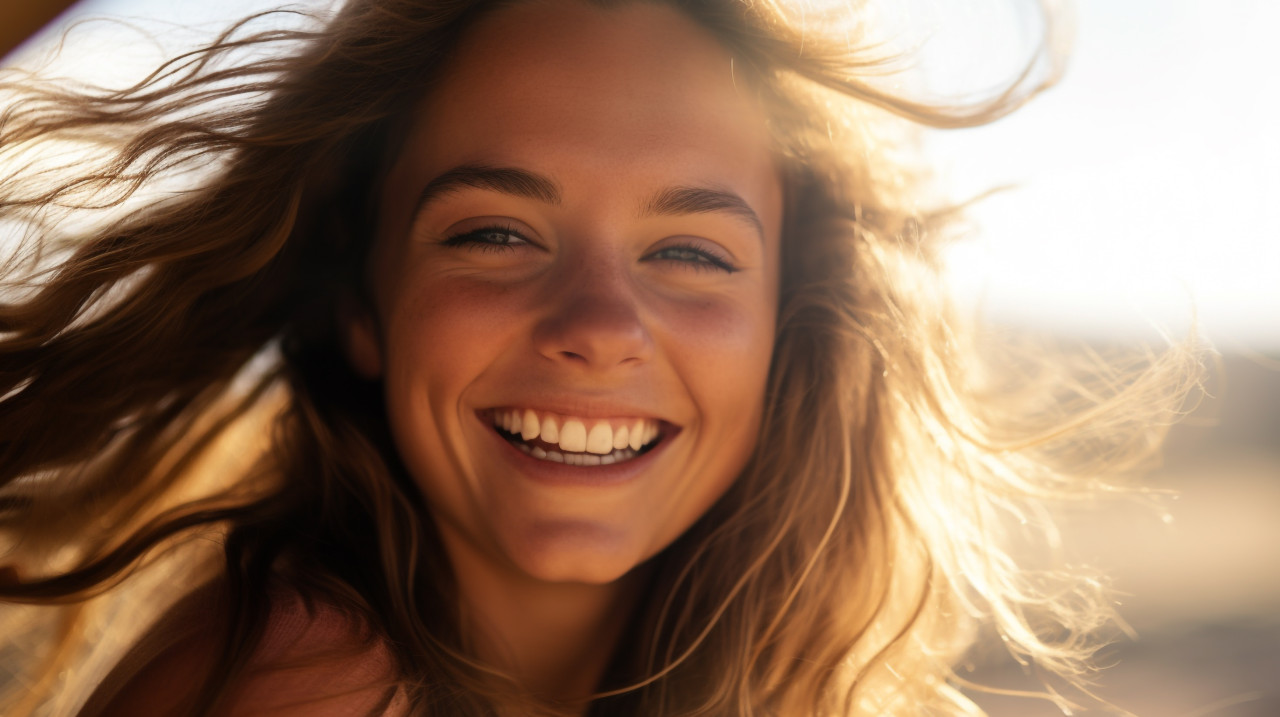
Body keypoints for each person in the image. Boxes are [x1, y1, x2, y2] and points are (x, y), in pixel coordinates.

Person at [0, 0, 1199, 715]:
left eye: (689, 252)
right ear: (358, 305)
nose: (600, 324)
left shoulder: (767, 675)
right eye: (493, 233)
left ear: (793, 325)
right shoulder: (307, 681)